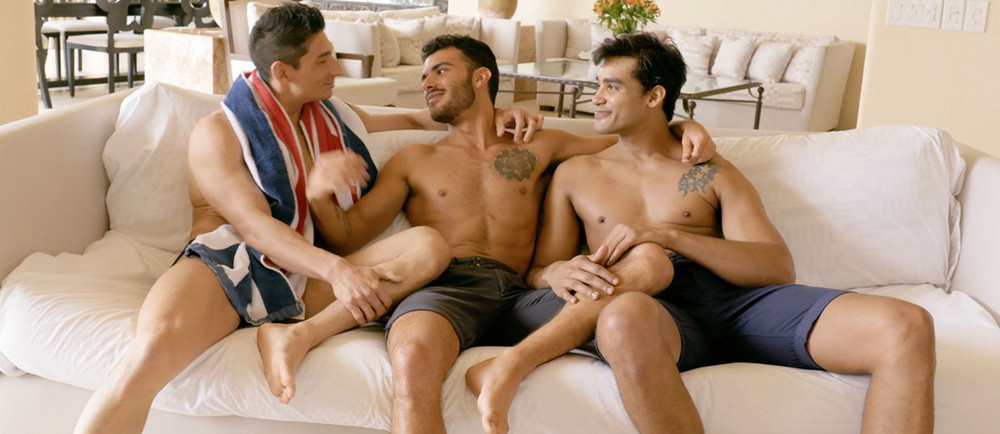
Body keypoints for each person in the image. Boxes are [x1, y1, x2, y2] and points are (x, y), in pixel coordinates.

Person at [73, 4, 546, 433]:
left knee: (427, 246)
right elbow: (254, 227)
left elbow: (421, 119)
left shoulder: (331, 116)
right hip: (227, 271)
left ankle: (290, 335)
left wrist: (499, 114)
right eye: (323, 60)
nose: (337, 68)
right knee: (144, 365)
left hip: (301, 280)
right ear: (283, 71)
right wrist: (338, 270)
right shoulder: (217, 132)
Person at [465, 32, 937, 434]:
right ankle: (512, 364)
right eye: (597, 85)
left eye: (612, 86)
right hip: (654, 312)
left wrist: (671, 237)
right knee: (625, 312)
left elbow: (776, 266)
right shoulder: (577, 173)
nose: (597, 98)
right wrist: (559, 271)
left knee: (906, 325)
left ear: (654, 97)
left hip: (737, 304)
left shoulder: (707, 169)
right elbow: (538, 270)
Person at [303, 34, 717, 433]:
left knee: (639, 270)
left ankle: (511, 364)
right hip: (446, 288)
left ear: (480, 77)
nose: (426, 82)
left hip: (521, 297)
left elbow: (630, 141)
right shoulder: (414, 158)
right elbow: (347, 236)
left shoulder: (539, 145)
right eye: (424, 75)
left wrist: (683, 127)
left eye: (440, 70)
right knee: (412, 356)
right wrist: (318, 193)